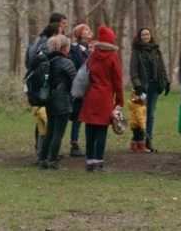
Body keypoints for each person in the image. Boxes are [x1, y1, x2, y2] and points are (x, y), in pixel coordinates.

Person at [79, 25, 124, 172]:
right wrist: (119, 100)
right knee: (101, 131)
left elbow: (88, 74)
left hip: (91, 95)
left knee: (90, 129)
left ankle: (89, 160)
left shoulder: (92, 56)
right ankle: (99, 160)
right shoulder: (113, 57)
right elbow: (118, 81)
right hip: (105, 96)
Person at [38, 34, 77, 170]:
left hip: (50, 101)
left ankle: (43, 160)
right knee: (58, 134)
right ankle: (53, 161)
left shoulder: (48, 61)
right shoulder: (66, 62)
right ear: (65, 48)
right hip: (63, 102)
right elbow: (75, 82)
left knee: (49, 132)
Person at [130, 27, 170, 152]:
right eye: (143, 35)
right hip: (142, 88)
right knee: (140, 115)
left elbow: (162, 68)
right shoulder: (136, 52)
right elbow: (134, 71)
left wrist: (167, 81)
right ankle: (138, 140)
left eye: (147, 34)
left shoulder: (156, 51)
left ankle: (148, 140)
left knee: (151, 114)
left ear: (150, 36)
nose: (146, 37)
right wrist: (138, 86)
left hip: (154, 87)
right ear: (140, 37)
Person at [68, 24, 92, 157]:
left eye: (89, 30)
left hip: (90, 88)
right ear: (79, 34)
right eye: (85, 30)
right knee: (76, 116)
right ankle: (74, 144)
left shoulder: (92, 48)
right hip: (78, 87)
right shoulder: (75, 50)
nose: (89, 32)